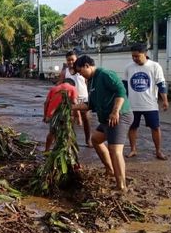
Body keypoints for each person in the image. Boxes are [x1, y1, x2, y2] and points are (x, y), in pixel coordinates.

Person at [72, 55, 133, 191]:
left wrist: (115, 111)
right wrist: (71, 107)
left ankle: (121, 185)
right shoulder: (91, 81)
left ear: (87, 65)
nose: (80, 75)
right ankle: (110, 169)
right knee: (96, 139)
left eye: (80, 71)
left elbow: (121, 91)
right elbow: (89, 104)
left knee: (115, 150)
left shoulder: (105, 74)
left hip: (119, 116)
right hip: (106, 119)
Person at [124, 43, 169, 160]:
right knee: (132, 127)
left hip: (150, 105)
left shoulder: (155, 66)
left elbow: (161, 84)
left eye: (137, 56)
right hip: (133, 105)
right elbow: (124, 86)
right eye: (133, 56)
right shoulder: (129, 67)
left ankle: (158, 151)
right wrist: (123, 102)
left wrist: (165, 100)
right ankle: (133, 149)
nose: (134, 58)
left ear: (145, 54)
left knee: (155, 127)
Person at [58, 51, 92, 147]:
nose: (70, 62)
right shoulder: (65, 72)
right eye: (68, 60)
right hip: (71, 100)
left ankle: (88, 140)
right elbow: (60, 83)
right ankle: (71, 141)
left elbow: (86, 83)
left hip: (84, 99)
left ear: (77, 59)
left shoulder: (82, 70)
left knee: (87, 120)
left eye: (72, 59)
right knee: (71, 121)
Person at [43, 79, 78, 151]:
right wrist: (78, 117)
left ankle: (47, 150)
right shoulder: (72, 88)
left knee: (52, 133)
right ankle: (63, 150)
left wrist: (45, 115)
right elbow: (75, 103)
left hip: (52, 114)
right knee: (66, 133)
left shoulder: (53, 89)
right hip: (64, 115)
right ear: (72, 84)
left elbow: (46, 102)